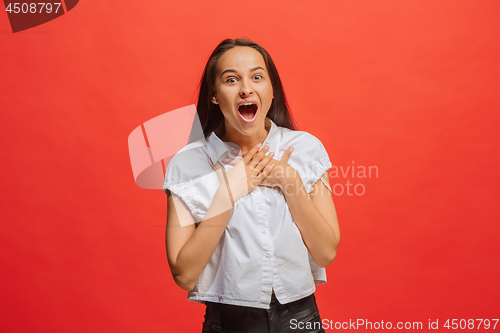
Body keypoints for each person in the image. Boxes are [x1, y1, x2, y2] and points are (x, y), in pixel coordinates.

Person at [163, 37, 340, 333]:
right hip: (229, 324)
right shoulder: (187, 165)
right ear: (214, 95)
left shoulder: (307, 149)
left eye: (257, 77)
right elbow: (184, 273)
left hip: (302, 320)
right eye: (231, 79)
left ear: (271, 91)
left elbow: (325, 252)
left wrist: (289, 180)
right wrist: (228, 193)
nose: (246, 88)